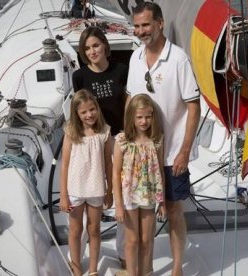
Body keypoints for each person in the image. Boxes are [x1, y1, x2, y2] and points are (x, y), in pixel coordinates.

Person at [126, 2, 201, 276]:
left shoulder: (179, 59)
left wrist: (184, 151)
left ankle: (177, 268)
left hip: (171, 154)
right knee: (140, 210)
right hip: (142, 154)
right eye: (136, 26)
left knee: (173, 209)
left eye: (145, 25)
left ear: (159, 22)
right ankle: (139, 266)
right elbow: (130, 101)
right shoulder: (134, 58)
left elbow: (194, 106)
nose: (141, 31)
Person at [72, 26, 128, 267]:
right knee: (88, 197)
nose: (92, 51)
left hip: (119, 138)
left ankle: (124, 252)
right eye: (87, 48)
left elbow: (128, 103)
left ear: (105, 45)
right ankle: (78, 254)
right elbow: (79, 111)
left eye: (95, 45)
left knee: (123, 196)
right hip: (91, 144)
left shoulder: (121, 70)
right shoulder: (80, 76)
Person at [60, 89, 113, 276]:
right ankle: (76, 269)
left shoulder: (105, 132)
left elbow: (108, 163)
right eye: (83, 112)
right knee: (75, 230)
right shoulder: (71, 132)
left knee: (94, 229)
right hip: (75, 189)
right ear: (77, 114)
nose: (89, 114)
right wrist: (63, 196)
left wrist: (110, 190)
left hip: (97, 188)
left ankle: (92, 270)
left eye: (92, 109)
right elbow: (64, 165)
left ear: (97, 109)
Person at [113, 94, 166, 276]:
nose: (144, 121)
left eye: (148, 116)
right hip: (129, 197)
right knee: (132, 240)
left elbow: (160, 170)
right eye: (139, 117)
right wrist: (118, 204)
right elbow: (115, 173)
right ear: (131, 117)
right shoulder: (122, 140)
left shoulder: (157, 139)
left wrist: (163, 200)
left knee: (146, 239)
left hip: (149, 195)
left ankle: (146, 272)